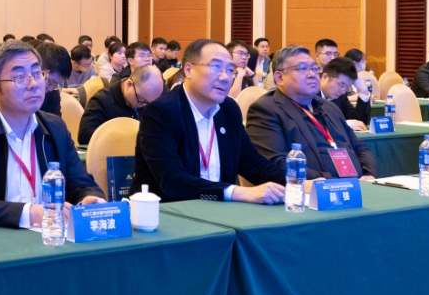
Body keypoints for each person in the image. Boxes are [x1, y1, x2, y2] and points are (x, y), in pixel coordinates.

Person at [0, 41, 105, 228]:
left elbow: (83, 184)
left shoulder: (55, 128)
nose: (34, 84)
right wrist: (29, 214)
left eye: (37, 74)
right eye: (20, 77)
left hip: (49, 237)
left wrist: (90, 199)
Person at [130, 40, 286, 202]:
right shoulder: (161, 112)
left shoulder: (228, 109)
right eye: (216, 67)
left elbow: (253, 164)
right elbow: (172, 180)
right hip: (168, 211)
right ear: (189, 70)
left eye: (230, 70)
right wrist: (236, 192)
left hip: (220, 211)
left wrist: (295, 183)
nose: (225, 77)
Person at [247, 48, 376, 180]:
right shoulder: (266, 110)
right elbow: (275, 163)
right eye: (302, 68)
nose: (312, 74)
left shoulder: (330, 107)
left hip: (358, 185)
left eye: (314, 68)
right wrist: (325, 180)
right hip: (315, 188)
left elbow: (359, 147)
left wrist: (369, 174)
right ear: (280, 78)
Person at [78, 65, 163, 145]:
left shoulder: (147, 97)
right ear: (129, 85)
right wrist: (121, 137)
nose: (144, 105)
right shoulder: (102, 100)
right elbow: (84, 135)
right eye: (142, 100)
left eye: (150, 102)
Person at [320, 56, 372, 124]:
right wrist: (345, 124)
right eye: (341, 85)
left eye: (347, 87)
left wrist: (364, 91)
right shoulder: (310, 93)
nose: (343, 91)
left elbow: (358, 122)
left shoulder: (341, 96)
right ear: (325, 77)